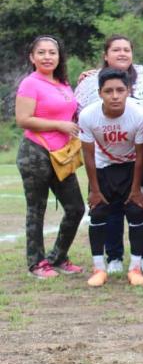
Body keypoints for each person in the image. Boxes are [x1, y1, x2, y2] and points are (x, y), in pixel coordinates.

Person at [75, 35, 143, 274]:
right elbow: (80, 121)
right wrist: (94, 188)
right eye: (116, 49)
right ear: (106, 55)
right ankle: (113, 256)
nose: (122, 53)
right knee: (110, 208)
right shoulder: (90, 88)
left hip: (140, 159)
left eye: (127, 49)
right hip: (106, 160)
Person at [15, 35, 85, 278]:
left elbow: (72, 110)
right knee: (37, 209)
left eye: (52, 52)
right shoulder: (30, 84)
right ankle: (36, 263)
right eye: (41, 53)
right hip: (35, 152)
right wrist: (59, 125)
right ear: (32, 58)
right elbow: (23, 119)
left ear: (59, 57)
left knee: (76, 208)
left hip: (61, 155)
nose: (47, 57)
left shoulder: (63, 83)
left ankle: (57, 257)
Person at [79, 68, 143, 286]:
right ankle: (99, 268)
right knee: (98, 211)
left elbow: (140, 156)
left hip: (131, 167)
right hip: (103, 167)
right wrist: (95, 190)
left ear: (129, 91)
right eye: (109, 91)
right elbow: (88, 155)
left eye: (120, 90)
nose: (115, 95)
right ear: (100, 93)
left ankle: (135, 267)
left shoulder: (139, 115)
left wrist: (136, 189)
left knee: (136, 210)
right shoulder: (88, 115)